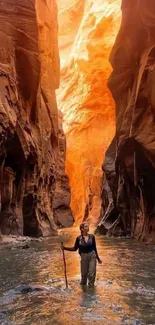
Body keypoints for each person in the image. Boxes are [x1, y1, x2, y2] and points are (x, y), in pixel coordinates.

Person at [61, 222, 102, 287]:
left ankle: (91, 289)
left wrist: (98, 258)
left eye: (88, 226)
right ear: (82, 229)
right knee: (84, 275)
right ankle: (84, 291)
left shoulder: (92, 237)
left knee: (91, 274)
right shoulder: (78, 239)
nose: (88, 227)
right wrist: (65, 248)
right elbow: (75, 248)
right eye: (86, 226)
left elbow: (95, 248)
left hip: (92, 256)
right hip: (83, 257)